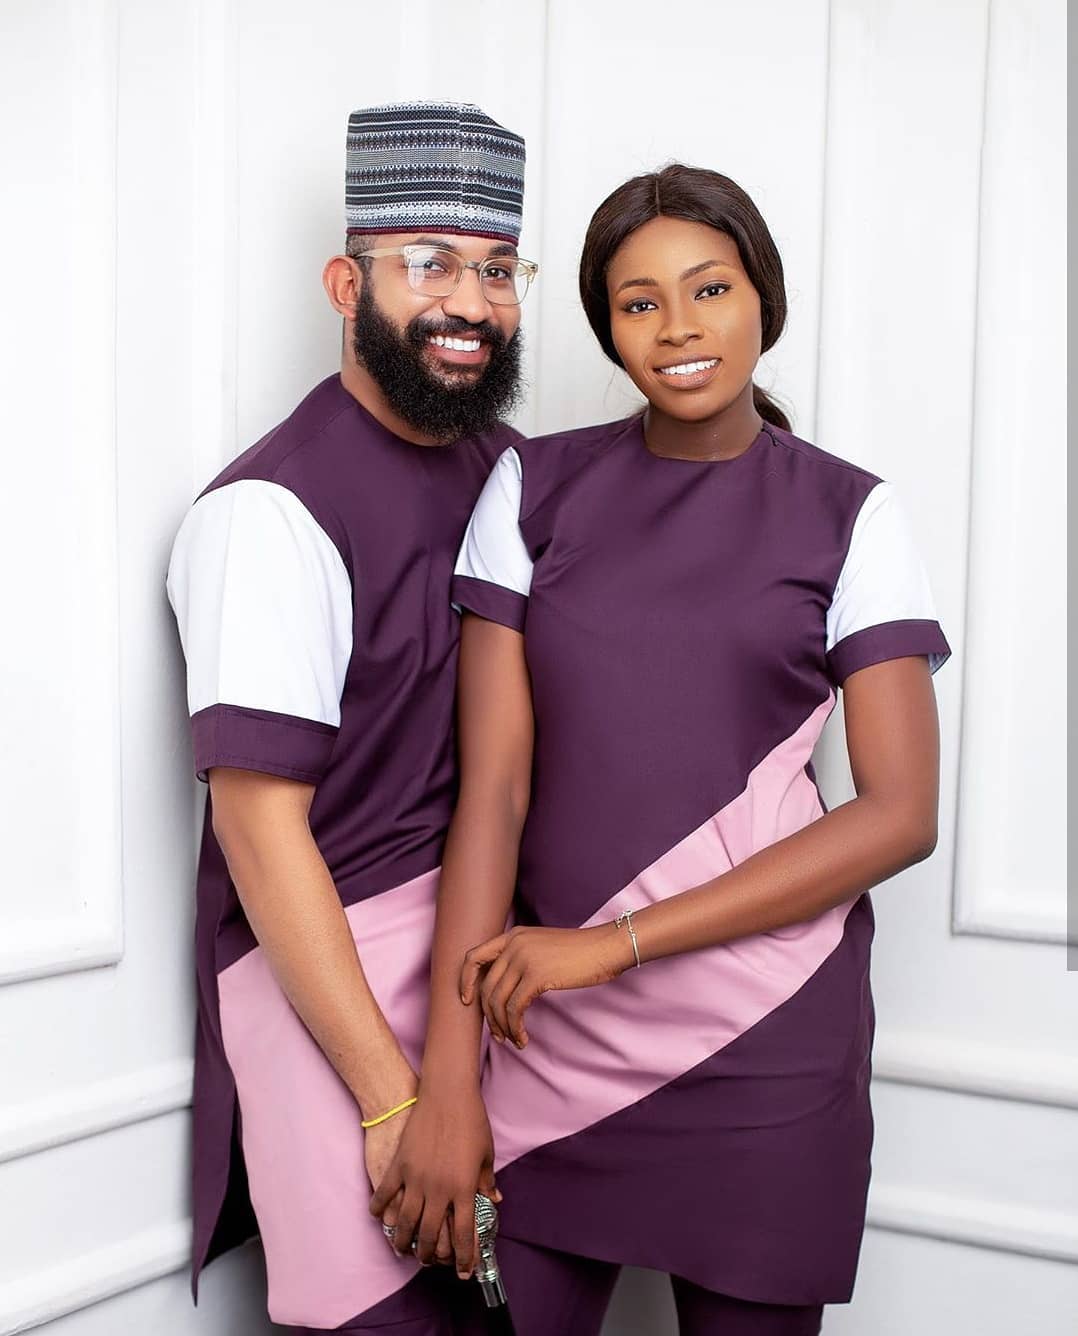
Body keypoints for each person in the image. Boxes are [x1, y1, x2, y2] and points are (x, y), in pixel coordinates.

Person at [372, 164, 950, 1335]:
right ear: (608, 328)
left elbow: (898, 814)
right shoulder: (532, 487)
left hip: (765, 1050)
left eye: (710, 289)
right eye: (639, 302)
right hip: (546, 1036)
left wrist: (611, 945)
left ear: (762, 300)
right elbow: (493, 792)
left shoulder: (851, 514)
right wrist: (446, 1082)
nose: (679, 327)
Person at [165, 100, 536, 1335]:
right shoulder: (266, 513)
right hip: (337, 997)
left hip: (482, 980)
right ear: (346, 282)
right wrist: (391, 1098)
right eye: (428, 263)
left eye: (497, 269)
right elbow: (259, 832)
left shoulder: (511, 472)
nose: (469, 302)